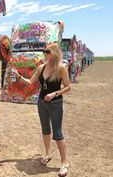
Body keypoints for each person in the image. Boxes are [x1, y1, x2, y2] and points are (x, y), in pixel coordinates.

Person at [13, 43, 71, 177]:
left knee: (57, 133)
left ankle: (64, 162)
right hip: (41, 103)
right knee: (45, 130)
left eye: (47, 51)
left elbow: (68, 87)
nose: (45, 53)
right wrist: (18, 76)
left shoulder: (61, 68)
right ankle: (47, 154)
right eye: (44, 51)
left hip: (56, 103)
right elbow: (31, 82)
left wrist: (54, 94)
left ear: (55, 53)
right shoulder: (41, 67)